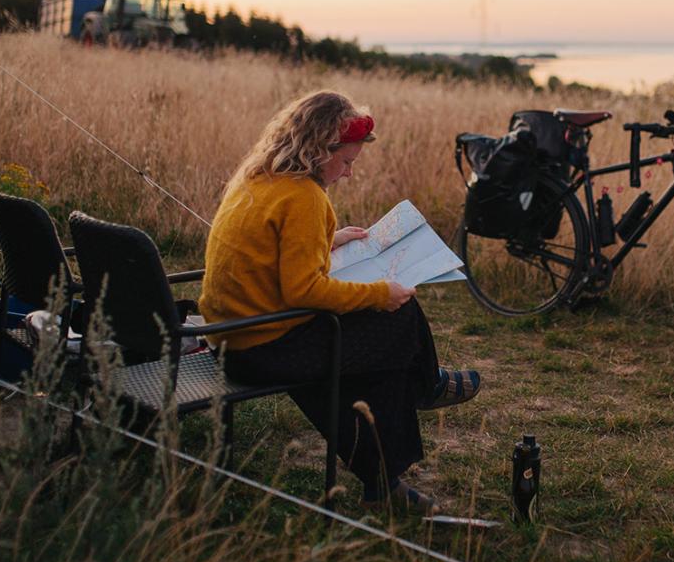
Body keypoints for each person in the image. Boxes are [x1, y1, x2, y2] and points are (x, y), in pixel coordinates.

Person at [199, 90, 480, 513]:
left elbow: (270, 250)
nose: (348, 174)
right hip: (264, 347)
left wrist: (328, 241)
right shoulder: (305, 198)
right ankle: (426, 390)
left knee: (379, 345)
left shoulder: (258, 177)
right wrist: (379, 293)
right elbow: (304, 292)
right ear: (318, 149)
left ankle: (384, 479)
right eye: (346, 162)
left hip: (230, 339)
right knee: (397, 324)